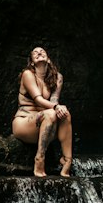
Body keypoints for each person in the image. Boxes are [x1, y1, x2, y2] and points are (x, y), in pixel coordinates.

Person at [11, 45, 74, 177]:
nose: (39, 52)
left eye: (42, 51)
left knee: (65, 114)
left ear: (49, 59)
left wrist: (59, 108)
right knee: (51, 112)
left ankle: (67, 160)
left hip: (47, 124)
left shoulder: (58, 78)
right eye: (35, 52)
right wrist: (55, 108)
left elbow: (54, 101)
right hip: (24, 124)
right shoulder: (27, 74)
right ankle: (39, 159)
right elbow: (39, 100)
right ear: (32, 62)